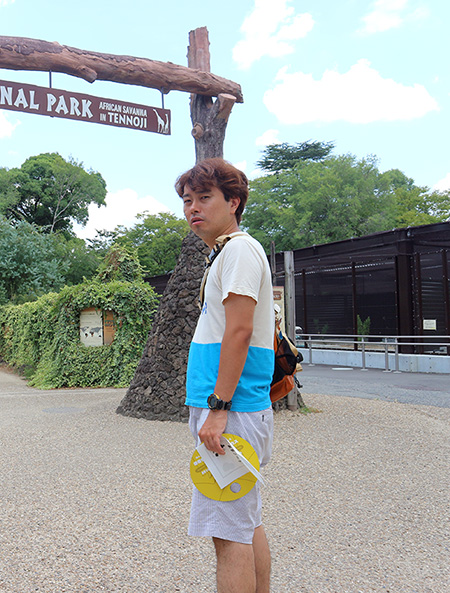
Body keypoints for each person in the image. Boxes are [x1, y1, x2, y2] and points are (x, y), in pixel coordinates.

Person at [178, 158, 275, 593]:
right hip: (235, 407)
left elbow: (238, 330)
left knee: (228, 533)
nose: (193, 208)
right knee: (244, 521)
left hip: (229, 410)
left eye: (204, 198)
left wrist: (218, 408)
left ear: (233, 201)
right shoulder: (228, 252)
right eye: (187, 201)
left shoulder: (237, 250)